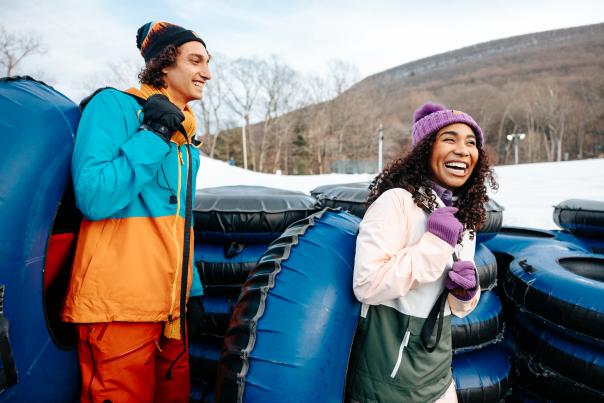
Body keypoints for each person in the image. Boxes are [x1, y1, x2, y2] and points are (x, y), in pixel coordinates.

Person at [61, 21, 211, 402]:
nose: (207, 73)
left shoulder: (184, 138)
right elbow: (94, 197)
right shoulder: (114, 105)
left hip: (168, 311)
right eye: (195, 60)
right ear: (164, 63)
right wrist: (154, 135)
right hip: (118, 309)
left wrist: (190, 291)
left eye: (208, 63)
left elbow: (179, 225)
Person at [347, 103, 497, 402]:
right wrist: (435, 244)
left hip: (438, 373)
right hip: (389, 377)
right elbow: (367, 284)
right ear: (425, 149)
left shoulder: (463, 215)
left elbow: (455, 307)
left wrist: (465, 293)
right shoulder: (396, 202)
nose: (463, 150)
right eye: (449, 139)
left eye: (471, 143)